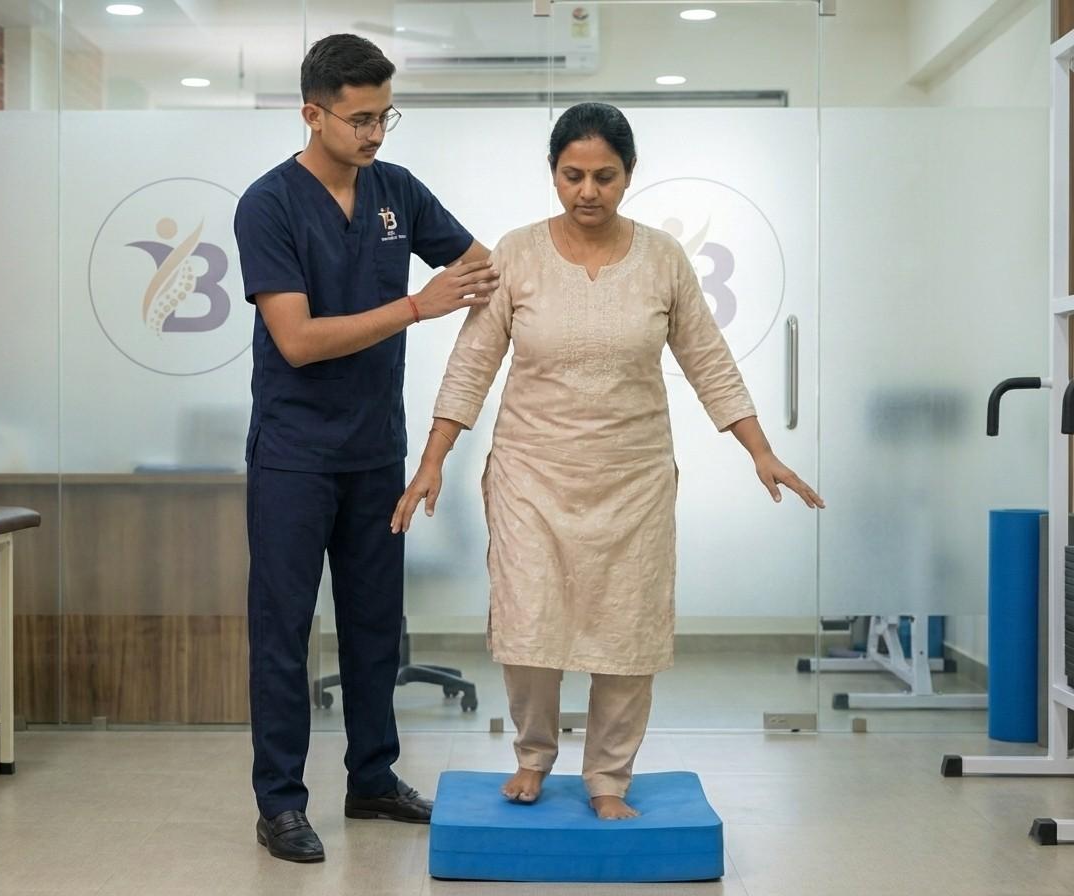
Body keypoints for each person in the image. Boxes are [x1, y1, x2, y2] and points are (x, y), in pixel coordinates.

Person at [391, 102, 824, 821]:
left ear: (629, 176)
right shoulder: (517, 254)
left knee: (627, 628)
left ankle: (609, 775)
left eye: (604, 176)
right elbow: (472, 365)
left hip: (633, 477)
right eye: (572, 176)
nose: (586, 191)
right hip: (532, 472)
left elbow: (709, 360)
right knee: (530, 621)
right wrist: (433, 460)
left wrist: (761, 451)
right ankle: (532, 757)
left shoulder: (663, 259)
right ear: (553, 175)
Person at [233, 33, 498, 863]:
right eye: (359, 119)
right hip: (293, 453)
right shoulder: (268, 204)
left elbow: (481, 267)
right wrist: (418, 307)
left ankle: (373, 779)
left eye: (386, 115)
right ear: (311, 113)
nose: (376, 134)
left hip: (374, 450)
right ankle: (279, 802)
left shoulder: (396, 191)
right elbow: (300, 339)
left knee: (376, 627)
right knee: (283, 631)